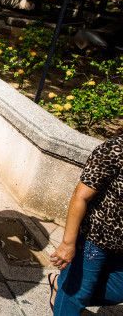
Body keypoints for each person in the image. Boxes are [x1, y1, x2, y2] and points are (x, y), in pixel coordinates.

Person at [48, 129, 123, 315]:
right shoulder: (115, 149)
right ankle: (69, 293)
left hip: (120, 246)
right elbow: (79, 196)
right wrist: (67, 243)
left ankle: (62, 285)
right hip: (93, 240)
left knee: (117, 292)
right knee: (76, 296)